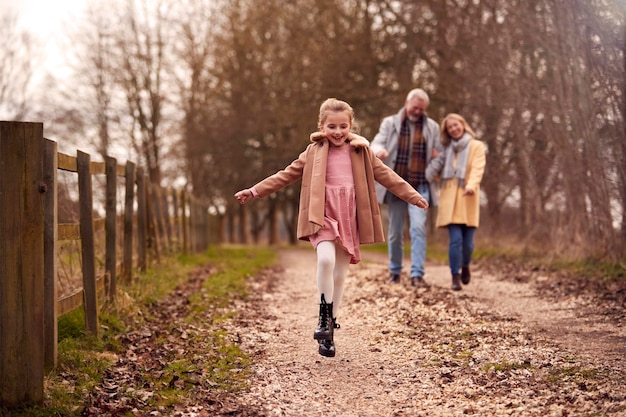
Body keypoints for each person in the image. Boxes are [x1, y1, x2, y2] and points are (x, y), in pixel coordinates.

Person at [234, 98, 429, 358]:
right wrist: (255, 190)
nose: (337, 132)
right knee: (325, 260)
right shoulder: (313, 152)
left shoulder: (362, 152)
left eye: (343, 126)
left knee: (339, 273)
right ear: (321, 126)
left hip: (349, 216)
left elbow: (387, 176)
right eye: (332, 126)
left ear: (351, 126)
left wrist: (414, 196)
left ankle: (330, 328)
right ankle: (323, 317)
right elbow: (286, 174)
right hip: (323, 215)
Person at [370, 88, 443, 287]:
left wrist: (430, 171)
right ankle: (394, 271)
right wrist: (379, 151)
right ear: (406, 102)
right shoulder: (390, 123)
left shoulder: (432, 127)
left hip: (420, 185)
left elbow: (440, 154)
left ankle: (417, 274)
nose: (417, 111)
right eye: (415, 107)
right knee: (395, 231)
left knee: (418, 228)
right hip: (396, 185)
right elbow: (375, 143)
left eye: (421, 109)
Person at [425, 113, 486, 291]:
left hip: (468, 197)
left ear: (463, 124)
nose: (453, 129)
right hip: (449, 198)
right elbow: (436, 175)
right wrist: (434, 159)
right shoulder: (445, 150)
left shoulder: (476, 146)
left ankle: (465, 265)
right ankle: (455, 276)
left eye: (455, 125)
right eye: (449, 127)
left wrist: (472, 185)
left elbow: (477, 168)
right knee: (455, 240)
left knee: (468, 244)